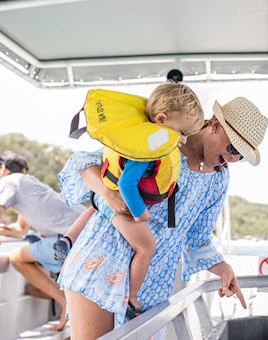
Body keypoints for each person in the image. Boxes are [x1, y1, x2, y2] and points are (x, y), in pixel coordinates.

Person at [57, 96, 268, 339]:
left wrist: (223, 269)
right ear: (216, 126)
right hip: (103, 263)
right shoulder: (162, 137)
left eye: (240, 156)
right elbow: (84, 164)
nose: (232, 159)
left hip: (151, 291)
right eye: (233, 149)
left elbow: (197, 239)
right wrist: (108, 193)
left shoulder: (218, 179)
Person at [53, 81, 204, 312]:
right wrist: (140, 214)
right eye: (182, 133)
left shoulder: (146, 140)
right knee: (146, 248)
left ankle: (67, 240)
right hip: (121, 210)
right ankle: (131, 297)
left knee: (96, 206)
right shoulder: (148, 149)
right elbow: (126, 183)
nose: (183, 140)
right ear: (162, 120)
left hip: (103, 202)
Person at [0, 151, 87, 331]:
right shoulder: (28, 184)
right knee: (32, 289)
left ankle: (65, 302)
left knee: (16, 258)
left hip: (70, 244)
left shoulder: (8, 181)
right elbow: (20, 229)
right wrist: (0, 230)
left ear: (3, 169)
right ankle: (68, 299)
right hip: (85, 240)